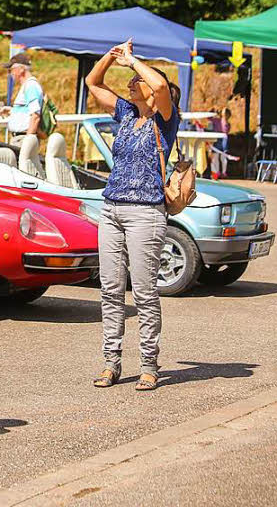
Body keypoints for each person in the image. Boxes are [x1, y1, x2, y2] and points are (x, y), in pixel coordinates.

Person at [86, 38, 179, 392]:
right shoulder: (125, 113)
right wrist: (110, 57)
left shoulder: (165, 119)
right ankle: (111, 363)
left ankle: (149, 365)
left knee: (143, 292)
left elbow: (158, 84)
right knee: (110, 290)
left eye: (136, 82)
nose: (131, 84)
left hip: (146, 214)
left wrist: (133, 61)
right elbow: (92, 84)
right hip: (111, 209)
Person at [0, 52, 43, 145]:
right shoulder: (28, 86)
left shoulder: (30, 86)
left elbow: (35, 116)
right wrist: (13, 110)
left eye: (11, 70)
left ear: (21, 69)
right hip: (20, 138)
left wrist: (28, 141)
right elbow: (28, 111)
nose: (11, 74)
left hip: (23, 139)